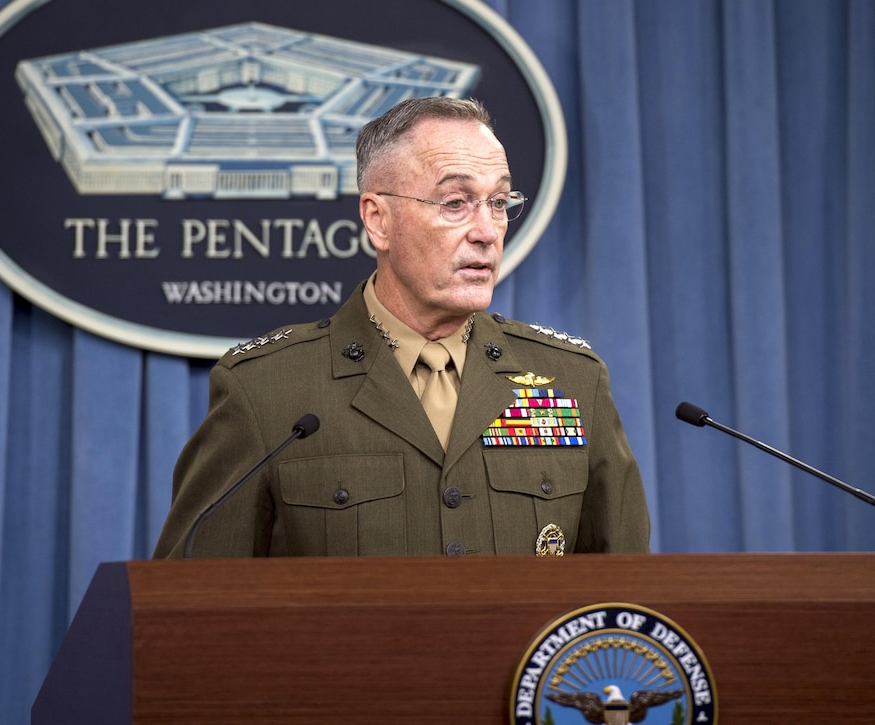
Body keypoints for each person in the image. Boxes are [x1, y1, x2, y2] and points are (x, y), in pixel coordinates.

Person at [153, 96, 650, 558]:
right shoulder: (267, 391)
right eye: (455, 203)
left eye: (498, 203)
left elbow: (625, 606)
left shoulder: (571, 380)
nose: (485, 232)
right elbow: (191, 608)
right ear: (378, 220)